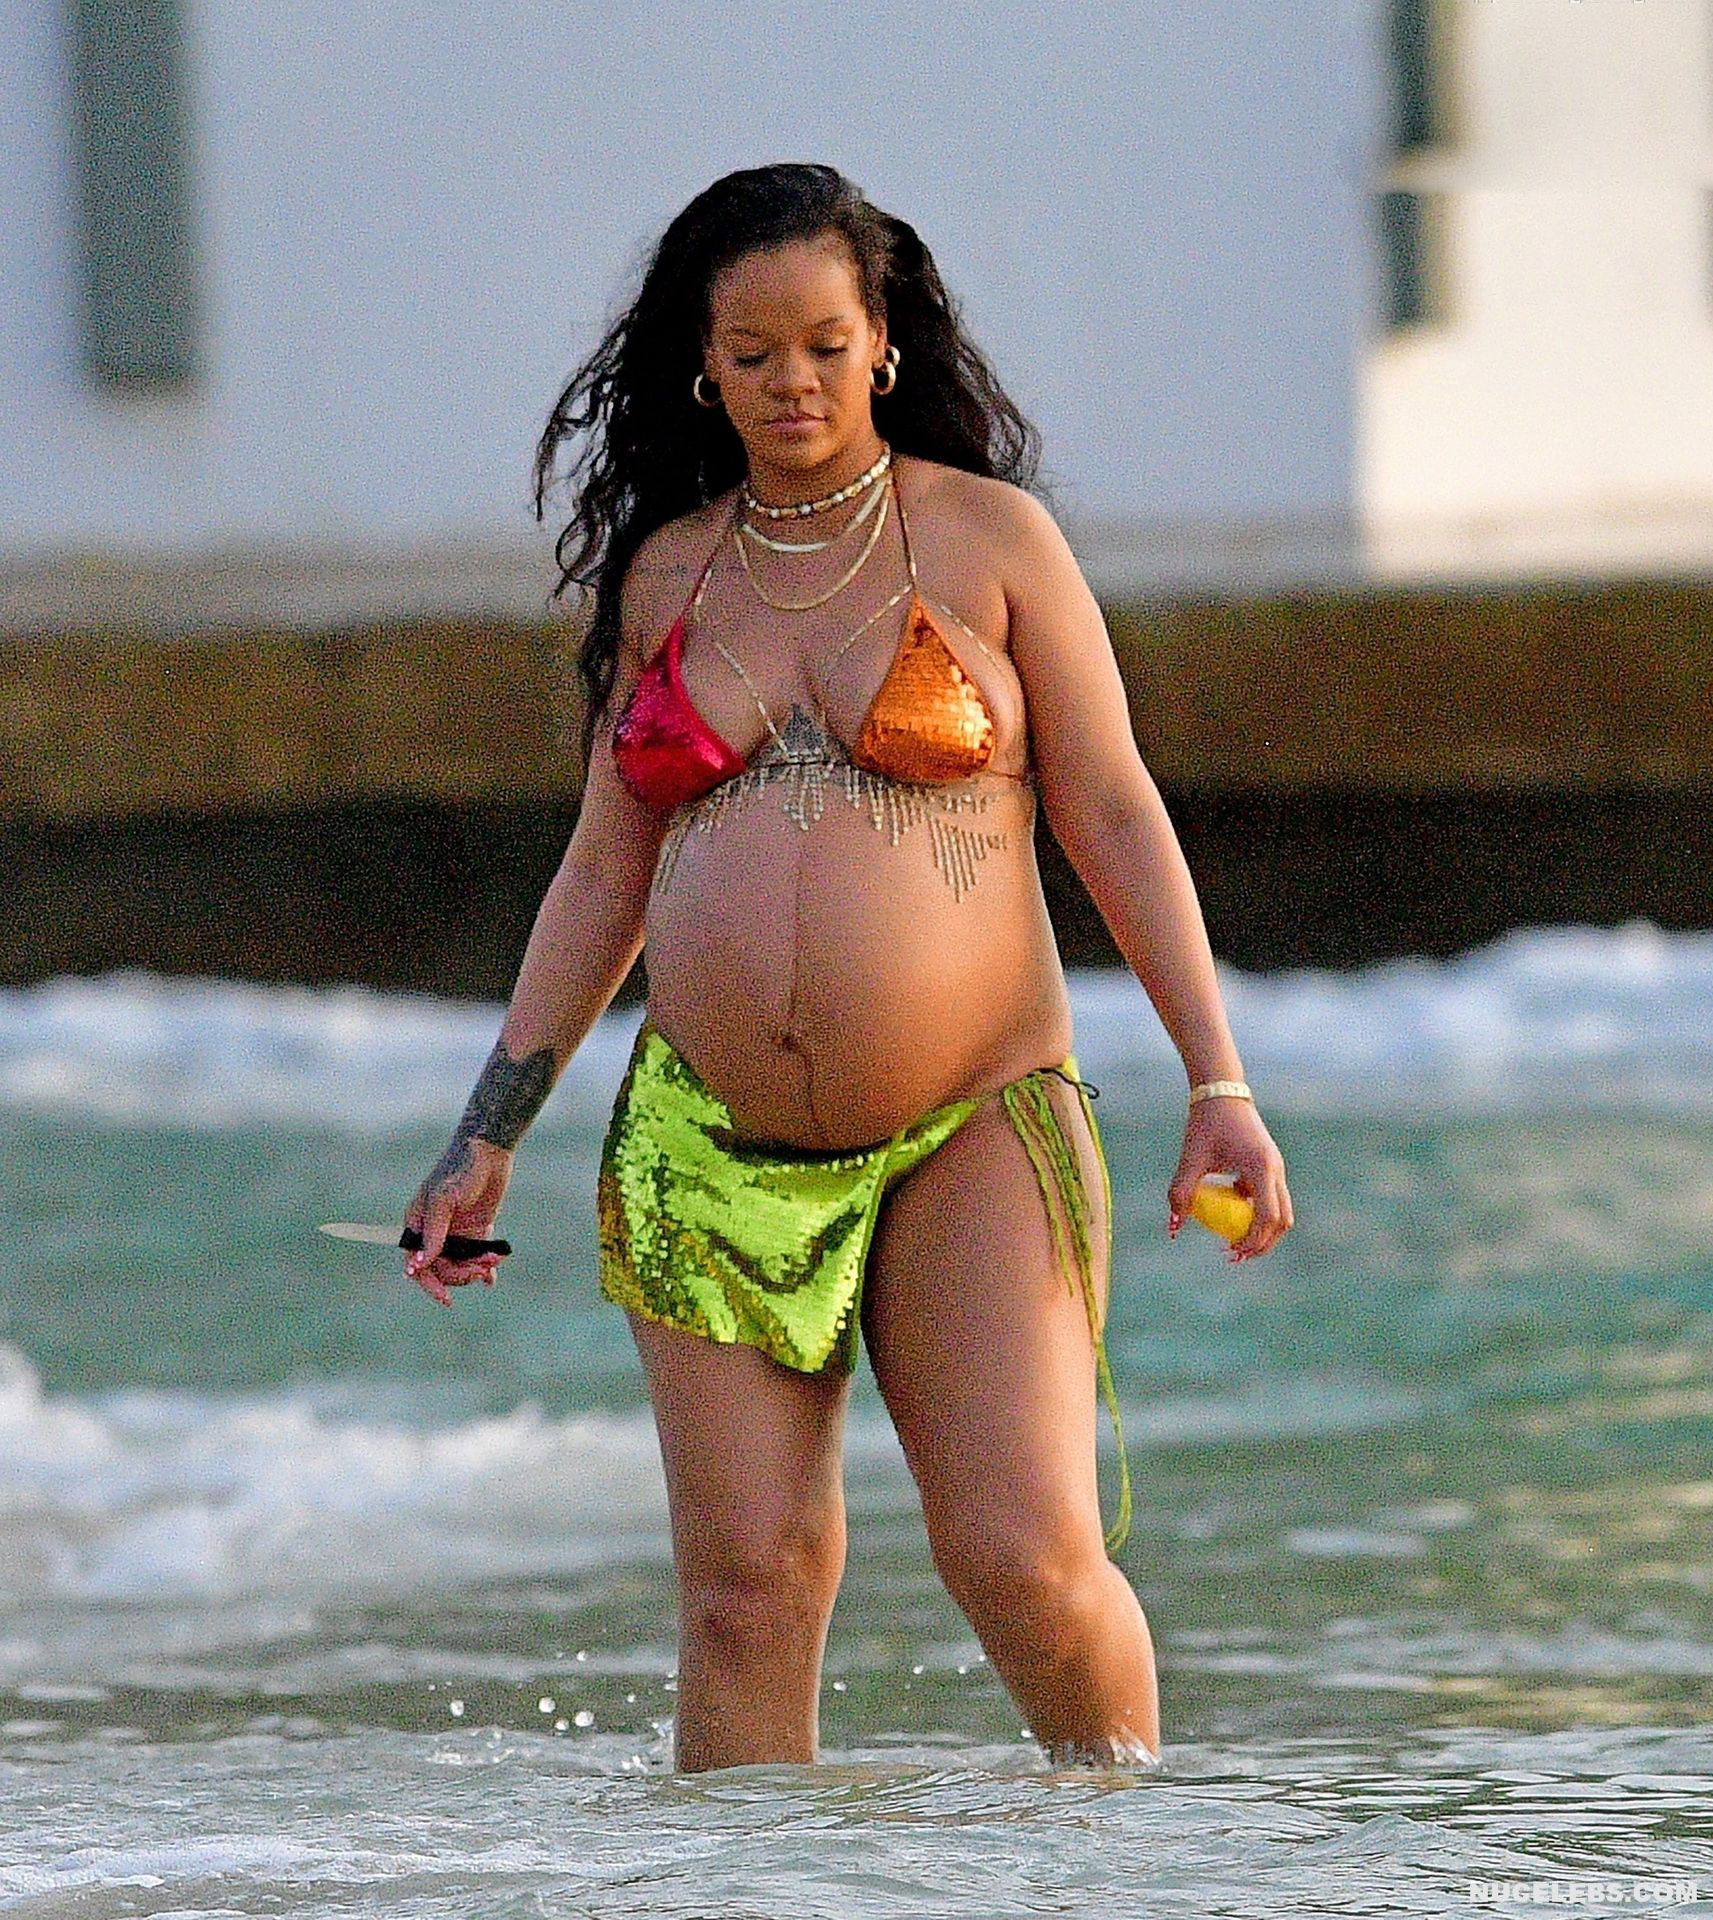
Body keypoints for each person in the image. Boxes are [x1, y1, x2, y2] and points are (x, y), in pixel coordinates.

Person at [403, 162, 1294, 1774]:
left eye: (824, 345)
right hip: (704, 1145)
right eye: (752, 354)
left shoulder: (990, 541)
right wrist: (487, 1134)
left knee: (1019, 1562)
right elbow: (602, 871)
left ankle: (1126, 1859)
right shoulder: (666, 574)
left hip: (974, 1122)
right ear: (702, 365)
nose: (792, 383)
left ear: (882, 339)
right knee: (745, 1595)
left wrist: (1215, 1084)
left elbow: (1110, 810)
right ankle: (748, 1888)